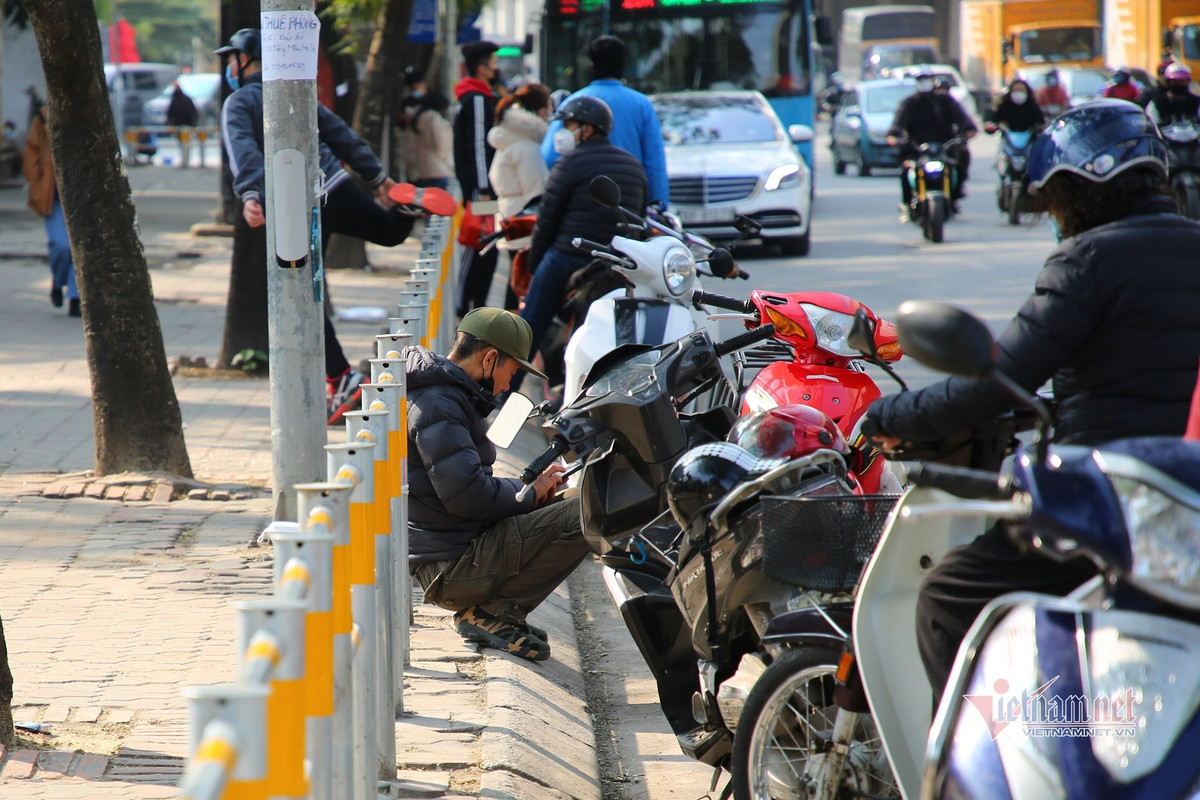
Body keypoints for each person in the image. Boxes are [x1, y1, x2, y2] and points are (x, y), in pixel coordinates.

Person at [863, 99, 1200, 703]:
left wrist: (888, 415)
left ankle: (975, 776)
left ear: (1076, 190)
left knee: (947, 594)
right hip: (1188, 507)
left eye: (1053, 201)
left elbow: (993, 377)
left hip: (1109, 506)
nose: (1053, 217)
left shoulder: (1087, 261)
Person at [216, 28, 434, 422]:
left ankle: (341, 375)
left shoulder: (240, 101)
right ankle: (407, 210)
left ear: (245, 59)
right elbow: (341, 135)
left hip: (296, 210)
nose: (229, 67)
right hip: (335, 184)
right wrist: (380, 179)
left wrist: (250, 195)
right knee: (385, 232)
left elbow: (242, 149)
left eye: (232, 58)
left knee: (304, 297)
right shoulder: (297, 94)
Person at [407, 307, 589, 662]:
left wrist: (532, 491)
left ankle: (498, 611)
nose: (508, 384)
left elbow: (464, 484)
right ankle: (491, 613)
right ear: (490, 359)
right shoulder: (438, 404)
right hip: (450, 569)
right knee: (587, 512)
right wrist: (529, 493)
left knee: (576, 498)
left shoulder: (448, 395)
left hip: (458, 548)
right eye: (512, 372)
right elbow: (469, 496)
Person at [516, 96, 647, 392]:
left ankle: (499, 396)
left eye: (569, 125)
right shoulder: (632, 164)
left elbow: (546, 221)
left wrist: (534, 267)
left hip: (567, 256)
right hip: (618, 265)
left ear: (586, 130)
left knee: (529, 326)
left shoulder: (569, 163)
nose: (563, 132)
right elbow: (639, 218)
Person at [540, 35, 670, 206]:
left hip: (582, 202)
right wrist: (659, 207)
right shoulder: (642, 105)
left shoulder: (573, 103)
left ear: (591, 65)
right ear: (623, 65)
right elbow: (655, 166)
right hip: (629, 203)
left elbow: (550, 157)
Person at [453, 40, 505, 318]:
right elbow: (477, 146)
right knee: (477, 242)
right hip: (481, 190)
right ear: (483, 68)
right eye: (493, 62)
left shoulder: (478, 96)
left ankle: (478, 306)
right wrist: (484, 188)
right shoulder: (475, 99)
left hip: (482, 188)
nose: (497, 67)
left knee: (488, 243)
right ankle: (463, 307)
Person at [886, 70, 977, 212]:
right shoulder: (909, 103)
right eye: (921, 81)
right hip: (917, 148)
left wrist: (969, 129)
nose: (925, 84)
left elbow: (961, 117)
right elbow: (899, 122)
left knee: (960, 161)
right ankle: (907, 203)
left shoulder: (945, 101)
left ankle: (954, 196)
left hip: (944, 146)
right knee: (907, 170)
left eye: (927, 80)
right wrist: (893, 135)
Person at [23, 105, 80, 317]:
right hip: (52, 195)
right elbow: (32, 151)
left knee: (78, 250)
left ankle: (75, 297)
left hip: (81, 196)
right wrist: (36, 180)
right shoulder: (43, 116)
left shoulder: (89, 112)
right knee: (60, 246)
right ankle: (58, 281)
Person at [488, 83, 552, 218]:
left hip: (510, 218)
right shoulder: (528, 147)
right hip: (523, 227)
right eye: (549, 108)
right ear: (541, 111)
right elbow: (537, 196)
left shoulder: (510, 139)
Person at [409, 88, 454, 192]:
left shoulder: (420, 118)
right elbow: (440, 142)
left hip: (425, 171)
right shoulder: (433, 117)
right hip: (439, 169)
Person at [1147, 62, 1200, 127]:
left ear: (1188, 81)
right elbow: (1151, 125)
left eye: (1182, 81)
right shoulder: (1157, 104)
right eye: (1175, 81)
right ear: (1168, 82)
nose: (1178, 84)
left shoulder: (1197, 102)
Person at [165, 81, 199, 167]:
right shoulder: (186, 99)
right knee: (185, 145)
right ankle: (185, 160)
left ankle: (185, 160)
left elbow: (170, 114)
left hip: (180, 125)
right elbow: (193, 112)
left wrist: (170, 123)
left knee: (182, 144)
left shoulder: (175, 99)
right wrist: (194, 124)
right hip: (186, 125)